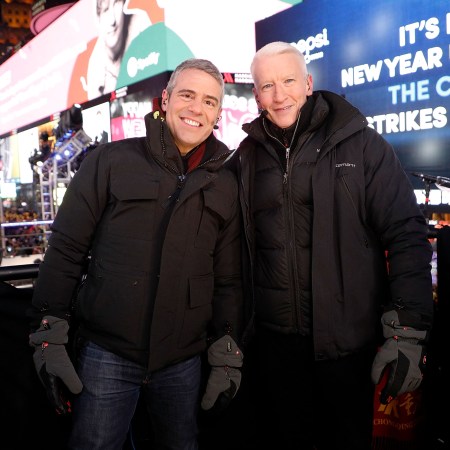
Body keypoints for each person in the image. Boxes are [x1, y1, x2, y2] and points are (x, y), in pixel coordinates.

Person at [28, 58, 244, 450]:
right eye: (188, 95)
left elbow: (227, 278)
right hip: (107, 356)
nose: (197, 108)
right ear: (165, 99)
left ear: (218, 113)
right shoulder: (110, 161)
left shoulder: (226, 183)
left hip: (182, 362)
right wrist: (48, 332)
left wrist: (227, 348)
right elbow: (66, 249)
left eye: (210, 101)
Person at [232, 41, 433, 450]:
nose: (279, 94)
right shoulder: (246, 157)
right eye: (267, 85)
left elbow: (406, 233)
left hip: (347, 347)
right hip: (274, 351)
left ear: (307, 83)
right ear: (256, 95)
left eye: (288, 81)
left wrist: (408, 332)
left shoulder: (360, 144)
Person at [87, 0, 151, 99]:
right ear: (98, 18)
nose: (112, 20)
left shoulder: (140, 25)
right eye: (105, 10)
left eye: (116, 3)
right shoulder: (95, 67)